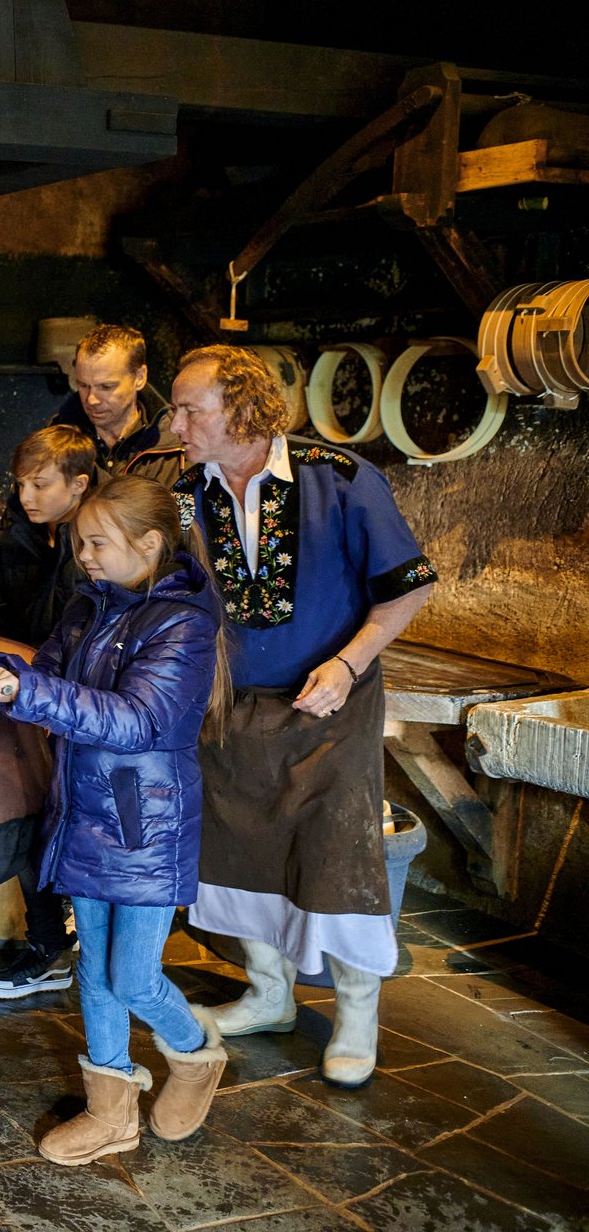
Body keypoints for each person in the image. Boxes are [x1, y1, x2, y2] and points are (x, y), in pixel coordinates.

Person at [168, 344, 436, 1090]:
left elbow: (406, 588)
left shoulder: (341, 478)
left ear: (244, 408)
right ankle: (271, 992)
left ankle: (356, 1013)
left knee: (336, 852)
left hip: (332, 706)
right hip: (229, 708)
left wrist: (348, 664)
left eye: (192, 408)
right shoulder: (187, 489)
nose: (177, 422)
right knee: (239, 847)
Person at [0, 474, 229, 1165]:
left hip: (145, 827)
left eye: (96, 542)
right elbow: (46, 670)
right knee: (93, 970)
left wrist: (32, 691)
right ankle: (111, 1114)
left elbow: (140, 719)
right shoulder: (88, 604)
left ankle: (197, 1056)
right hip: (81, 811)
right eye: (79, 541)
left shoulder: (184, 624)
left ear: (149, 543)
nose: (82, 553)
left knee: (135, 977)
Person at [0, 425, 97, 999]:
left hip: (72, 696)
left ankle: (70, 950)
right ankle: (55, 946)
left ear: (80, 484)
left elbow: (85, 619)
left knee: (61, 821)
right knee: (31, 817)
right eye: (20, 484)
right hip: (27, 688)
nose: (26, 497)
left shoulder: (95, 540)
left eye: (40, 484)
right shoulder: (26, 528)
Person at [52, 325, 182, 484]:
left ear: (139, 377)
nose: (91, 400)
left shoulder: (179, 444)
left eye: (106, 387)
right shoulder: (54, 441)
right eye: (83, 385)